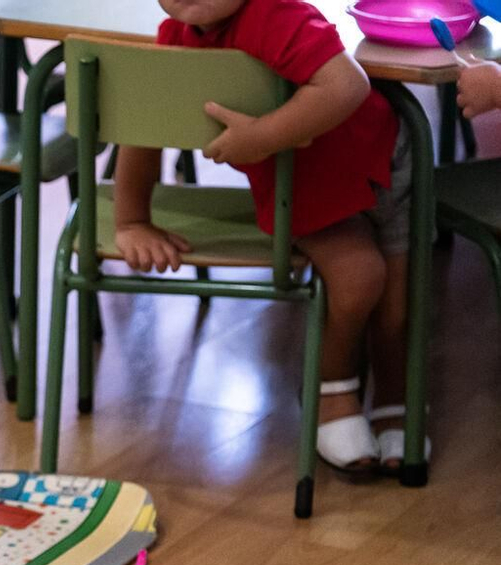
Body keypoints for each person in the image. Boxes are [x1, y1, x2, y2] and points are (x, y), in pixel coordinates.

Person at [113, 0, 421, 472]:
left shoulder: (278, 14)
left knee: (397, 307)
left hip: (384, 160)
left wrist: (262, 135)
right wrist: (131, 220)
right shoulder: (174, 38)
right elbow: (143, 127)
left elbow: (347, 84)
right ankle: (332, 391)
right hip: (305, 181)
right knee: (360, 278)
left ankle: (395, 402)